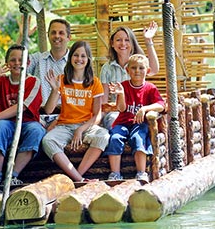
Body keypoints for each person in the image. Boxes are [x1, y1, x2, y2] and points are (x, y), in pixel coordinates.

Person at [0, 44, 46, 186]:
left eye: (21, 60)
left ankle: (12, 175)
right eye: (13, 60)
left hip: (27, 123)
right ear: (7, 63)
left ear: (28, 63)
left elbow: (22, 107)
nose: (17, 63)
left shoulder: (33, 81)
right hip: (6, 123)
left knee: (36, 130)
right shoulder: (0, 81)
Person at [42, 41, 110, 182]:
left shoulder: (95, 83)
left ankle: (76, 176)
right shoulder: (61, 79)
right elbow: (48, 110)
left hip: (86, 126)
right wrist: (55, 90)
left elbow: (97, 115)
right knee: (47, 141)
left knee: (103, 136)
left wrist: (80, 130)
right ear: (70, 58)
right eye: (76, 55)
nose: (79, 59)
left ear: (88, 60)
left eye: (83, 56)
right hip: (65, 126)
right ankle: (79, 179)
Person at [105, 54, 165, 182]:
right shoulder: (124, 86)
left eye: (141, 68)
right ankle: (115, 173)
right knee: (115, 138)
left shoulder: (150, 88)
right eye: (133, 68)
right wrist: (120, 94)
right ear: (127, 70)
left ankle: (141, 172)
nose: (137, 71)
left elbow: (161, 105)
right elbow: (121, 109)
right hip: (123, 122)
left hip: (139, 124)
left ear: (147, 71)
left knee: (138, 138)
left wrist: (144, 109)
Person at [100, 21, 160, 129]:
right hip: (116, 113)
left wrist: (148, 40)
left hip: (138, 111)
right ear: (112, 44)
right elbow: (104, 101)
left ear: (132, 43)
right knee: (112, 122)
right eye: (118, 40)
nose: (123, 43)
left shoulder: (138, 63)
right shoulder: (107, 68)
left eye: (127, 40)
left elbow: (154, 70)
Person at [26, 18, 71, 127]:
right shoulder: (38, 59)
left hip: (66, 118)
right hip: (38, 118)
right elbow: (17, 62)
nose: (57, 36)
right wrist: (24, 37)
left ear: (69, 37)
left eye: (61, 33)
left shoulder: (76, 62)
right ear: (48, 35)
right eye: (53, 32)